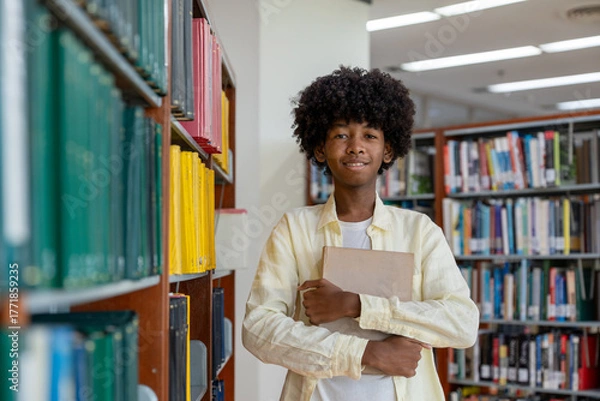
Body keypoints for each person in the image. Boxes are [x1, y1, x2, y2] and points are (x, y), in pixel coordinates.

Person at [242, 66, 479, 401]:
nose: (355, 146)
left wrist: (356, 304)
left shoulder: (419, 231)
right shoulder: (294, 229)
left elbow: (462, 323)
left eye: (370, 136)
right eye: (341, 135)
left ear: (388, 150)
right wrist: (366, 353)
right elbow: (258, 329)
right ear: (320, 149)